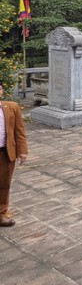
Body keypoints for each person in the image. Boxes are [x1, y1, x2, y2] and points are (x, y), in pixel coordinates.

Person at [0, 82, 27, 227]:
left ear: (2, 91)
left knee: (4, 185)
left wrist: (22, 151)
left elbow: (19, 131)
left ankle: (1, 213)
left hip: (5, 153)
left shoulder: (11, 107)